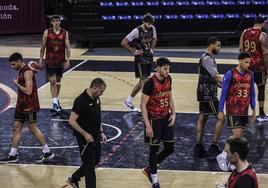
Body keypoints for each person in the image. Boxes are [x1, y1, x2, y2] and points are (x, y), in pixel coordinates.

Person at [0, 52, 54, 163]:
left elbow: (29, 91)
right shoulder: (22, 71)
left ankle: (47, 151)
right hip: (21, 104)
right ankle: (13, 155)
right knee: (16, 127)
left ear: (19, 61)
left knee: (33, 128)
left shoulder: (27, 72)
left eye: (13, 64)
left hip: (29, 106)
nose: (12, 67)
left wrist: (16, 84)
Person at [216, 52, 256, 172]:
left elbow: (252, 93)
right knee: (236, 136)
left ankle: (232, 159)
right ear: (239, 61)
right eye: (246, 62)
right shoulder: (230, 74)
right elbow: (223, 93)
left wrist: (254, 109)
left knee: (238, 137)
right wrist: (220, 110)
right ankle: (222, 155)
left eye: (249, 62)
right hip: (233, 109)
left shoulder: (251, 74)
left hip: (244, 109)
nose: (248, 64)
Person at [140, 57, 176, 188]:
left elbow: (170, 96)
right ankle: (154, 180)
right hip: (153, 120)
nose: (167, 71)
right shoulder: (150, 83)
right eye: (165, 69)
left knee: (170, 148)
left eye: (168, 69)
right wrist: (147, 125)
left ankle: (150, 168)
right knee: (154, 150)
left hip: (166, 117)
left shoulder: (169, 79)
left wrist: (174, 113)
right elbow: (143, 105)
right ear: (158, 68)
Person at [67, 78, 107, 188]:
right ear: (95, 87)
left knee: (95, 161)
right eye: (101, 91)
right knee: (90, 168)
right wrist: (85, 134)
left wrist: (101, 131)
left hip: (95, 136)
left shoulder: (96, 98)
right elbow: (71, 121)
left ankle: (74, 178)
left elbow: (97, 117)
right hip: (84, 138)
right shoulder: (81, 100)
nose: (102, 94)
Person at [193, 37, 224, 159]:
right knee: (221, 118)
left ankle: (198, 147)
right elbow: (216, 77)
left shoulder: (206, 57)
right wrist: (229, 84)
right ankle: (214, 146)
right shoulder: (208, 59)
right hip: (208, 94)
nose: (219, 48)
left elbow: (211, 79)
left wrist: (224, 86)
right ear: (211, 45)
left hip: (203, 92)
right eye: (218, 45)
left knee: (203, 118)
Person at [121, 12, 157, 111]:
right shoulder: (136, 31)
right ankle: (146, 106)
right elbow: (124, 42)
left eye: (151, 23)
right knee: (144, 82)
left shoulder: (152, 28)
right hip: (140, 59)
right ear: (144, 22)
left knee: (141, 82)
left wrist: (152, 49)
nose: (150, 25)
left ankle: (128, 101)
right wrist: (134, 51)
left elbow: (154, 39)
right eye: (148, 23)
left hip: (149, 57)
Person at [39, 15, 71, 113]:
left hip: (60, 60)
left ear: (60, 22)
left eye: (57, 21)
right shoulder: (47, 32)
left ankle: (56, 99)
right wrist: (41, 59)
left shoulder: (65, 32)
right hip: (50, 60)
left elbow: (68, 47)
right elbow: (42, 47)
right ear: (51, 22)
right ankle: (55, 102)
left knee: (58, 81)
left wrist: (68, 60)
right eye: (54, 21)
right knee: (52, 82)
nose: (56, 22)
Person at [239, 16, 268, 120]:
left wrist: (243, 65)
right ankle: (261, 113)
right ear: (262, 24)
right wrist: (267, 68)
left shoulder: (245, 32)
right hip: (259, 66)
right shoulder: (262, 34)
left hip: (247, 66)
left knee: (246, 89)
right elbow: (265, 53)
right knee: (261, 88)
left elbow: (241, 49)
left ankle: (243, 111)